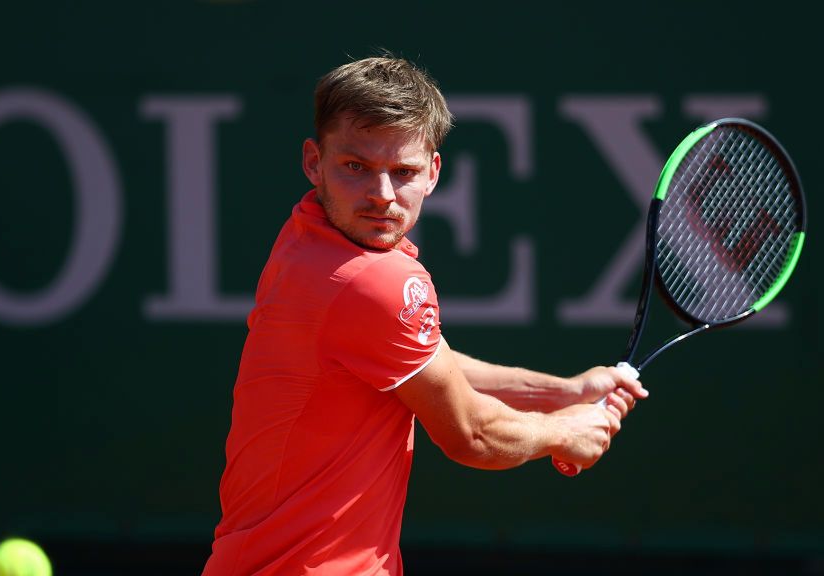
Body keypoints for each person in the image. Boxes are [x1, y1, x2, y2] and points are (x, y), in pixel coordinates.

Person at [200, 55, 648, 576]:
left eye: (403, 171)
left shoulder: (307, 238)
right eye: (356, 167)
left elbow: (428, 365)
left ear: (433, 172)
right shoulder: (374, 282)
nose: (382, 195)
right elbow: (472, 434)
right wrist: (562, 433)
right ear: (313, 161)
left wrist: (564, 391)